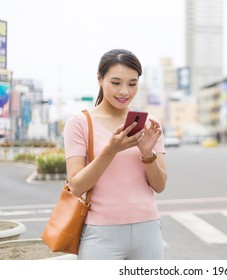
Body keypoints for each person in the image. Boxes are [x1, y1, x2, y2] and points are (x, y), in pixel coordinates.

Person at [63, 49, 167, 260]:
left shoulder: (149, 125)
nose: (124, 92)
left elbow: (160, 185)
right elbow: (76, 187)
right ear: (100, 79)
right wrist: (110, 151)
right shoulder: (80, 123)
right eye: (116, 82)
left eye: (132, 83)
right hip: (101, 233)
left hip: (148, 230)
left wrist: (148, 154)